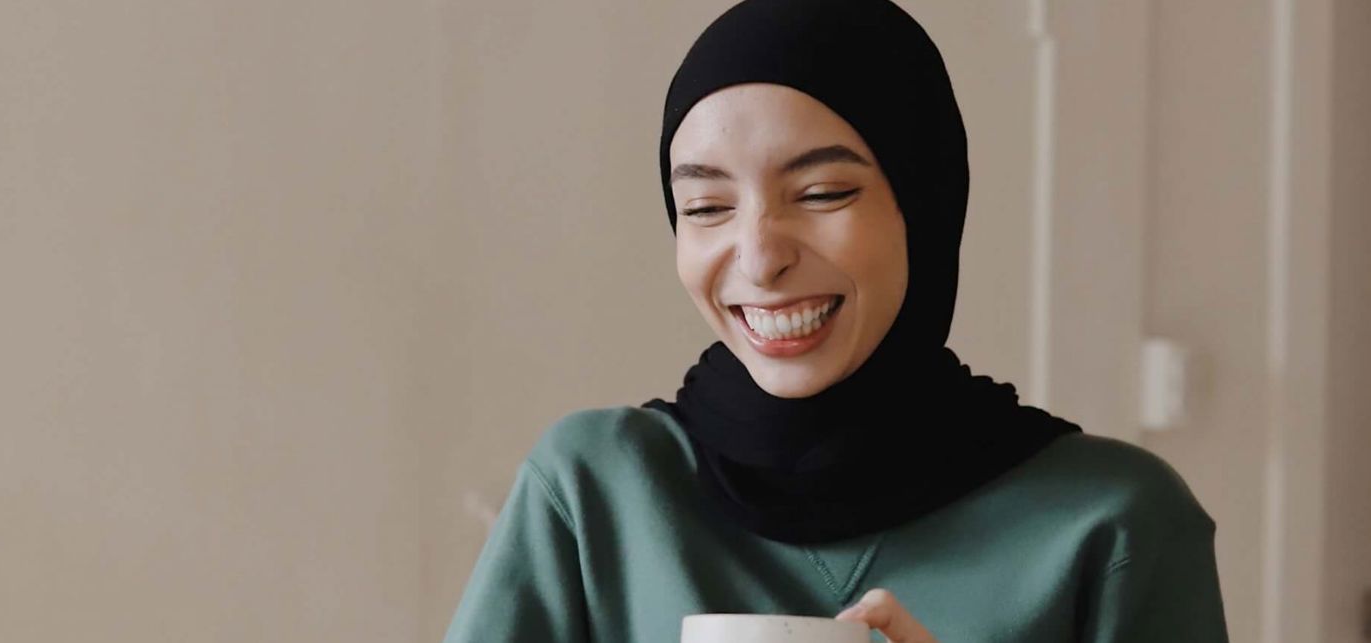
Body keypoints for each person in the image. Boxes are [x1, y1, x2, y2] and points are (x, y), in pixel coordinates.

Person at [443, 0, 1228, 641]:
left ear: (924, 206)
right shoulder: (593, 490)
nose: (758, 257)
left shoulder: (1115, 521)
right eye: (707, 206)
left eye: (822, 194)